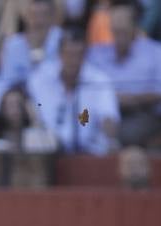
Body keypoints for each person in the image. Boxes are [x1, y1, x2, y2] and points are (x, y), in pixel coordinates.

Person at [86, 0, 161, 148]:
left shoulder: (159, 53)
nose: (118, 35)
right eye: (115, 30)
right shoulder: (96, 54)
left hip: (144, 115)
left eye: (123, 30)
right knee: (82, 126)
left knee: (119, 134)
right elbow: (84, 88)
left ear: (135, 25)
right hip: (101, 114)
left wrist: (132, 99)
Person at [28, 25, 118, 155]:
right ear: (60, 54)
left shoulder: (100, 80)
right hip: (47, 152)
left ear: (85, 55)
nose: (73, 61)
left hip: (88, 151)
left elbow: (109, 117)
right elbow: (33, 107)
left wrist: (108, 127)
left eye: (78, 55)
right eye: (69, 54)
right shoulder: (40, 78)